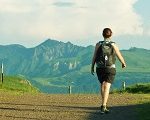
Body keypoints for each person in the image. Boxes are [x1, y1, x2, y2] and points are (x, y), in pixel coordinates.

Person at [91, 28, 126, 114]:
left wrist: (92, 66)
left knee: (103, 84)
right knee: (107, 85)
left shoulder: (98, 44)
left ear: (102, 34)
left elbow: (94, 56)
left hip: (99, 68)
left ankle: (103, 104)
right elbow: (119, 55)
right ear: (111, 34)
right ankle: (103, 105)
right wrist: (123, 63)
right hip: (110, 68)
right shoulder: (113, 44)